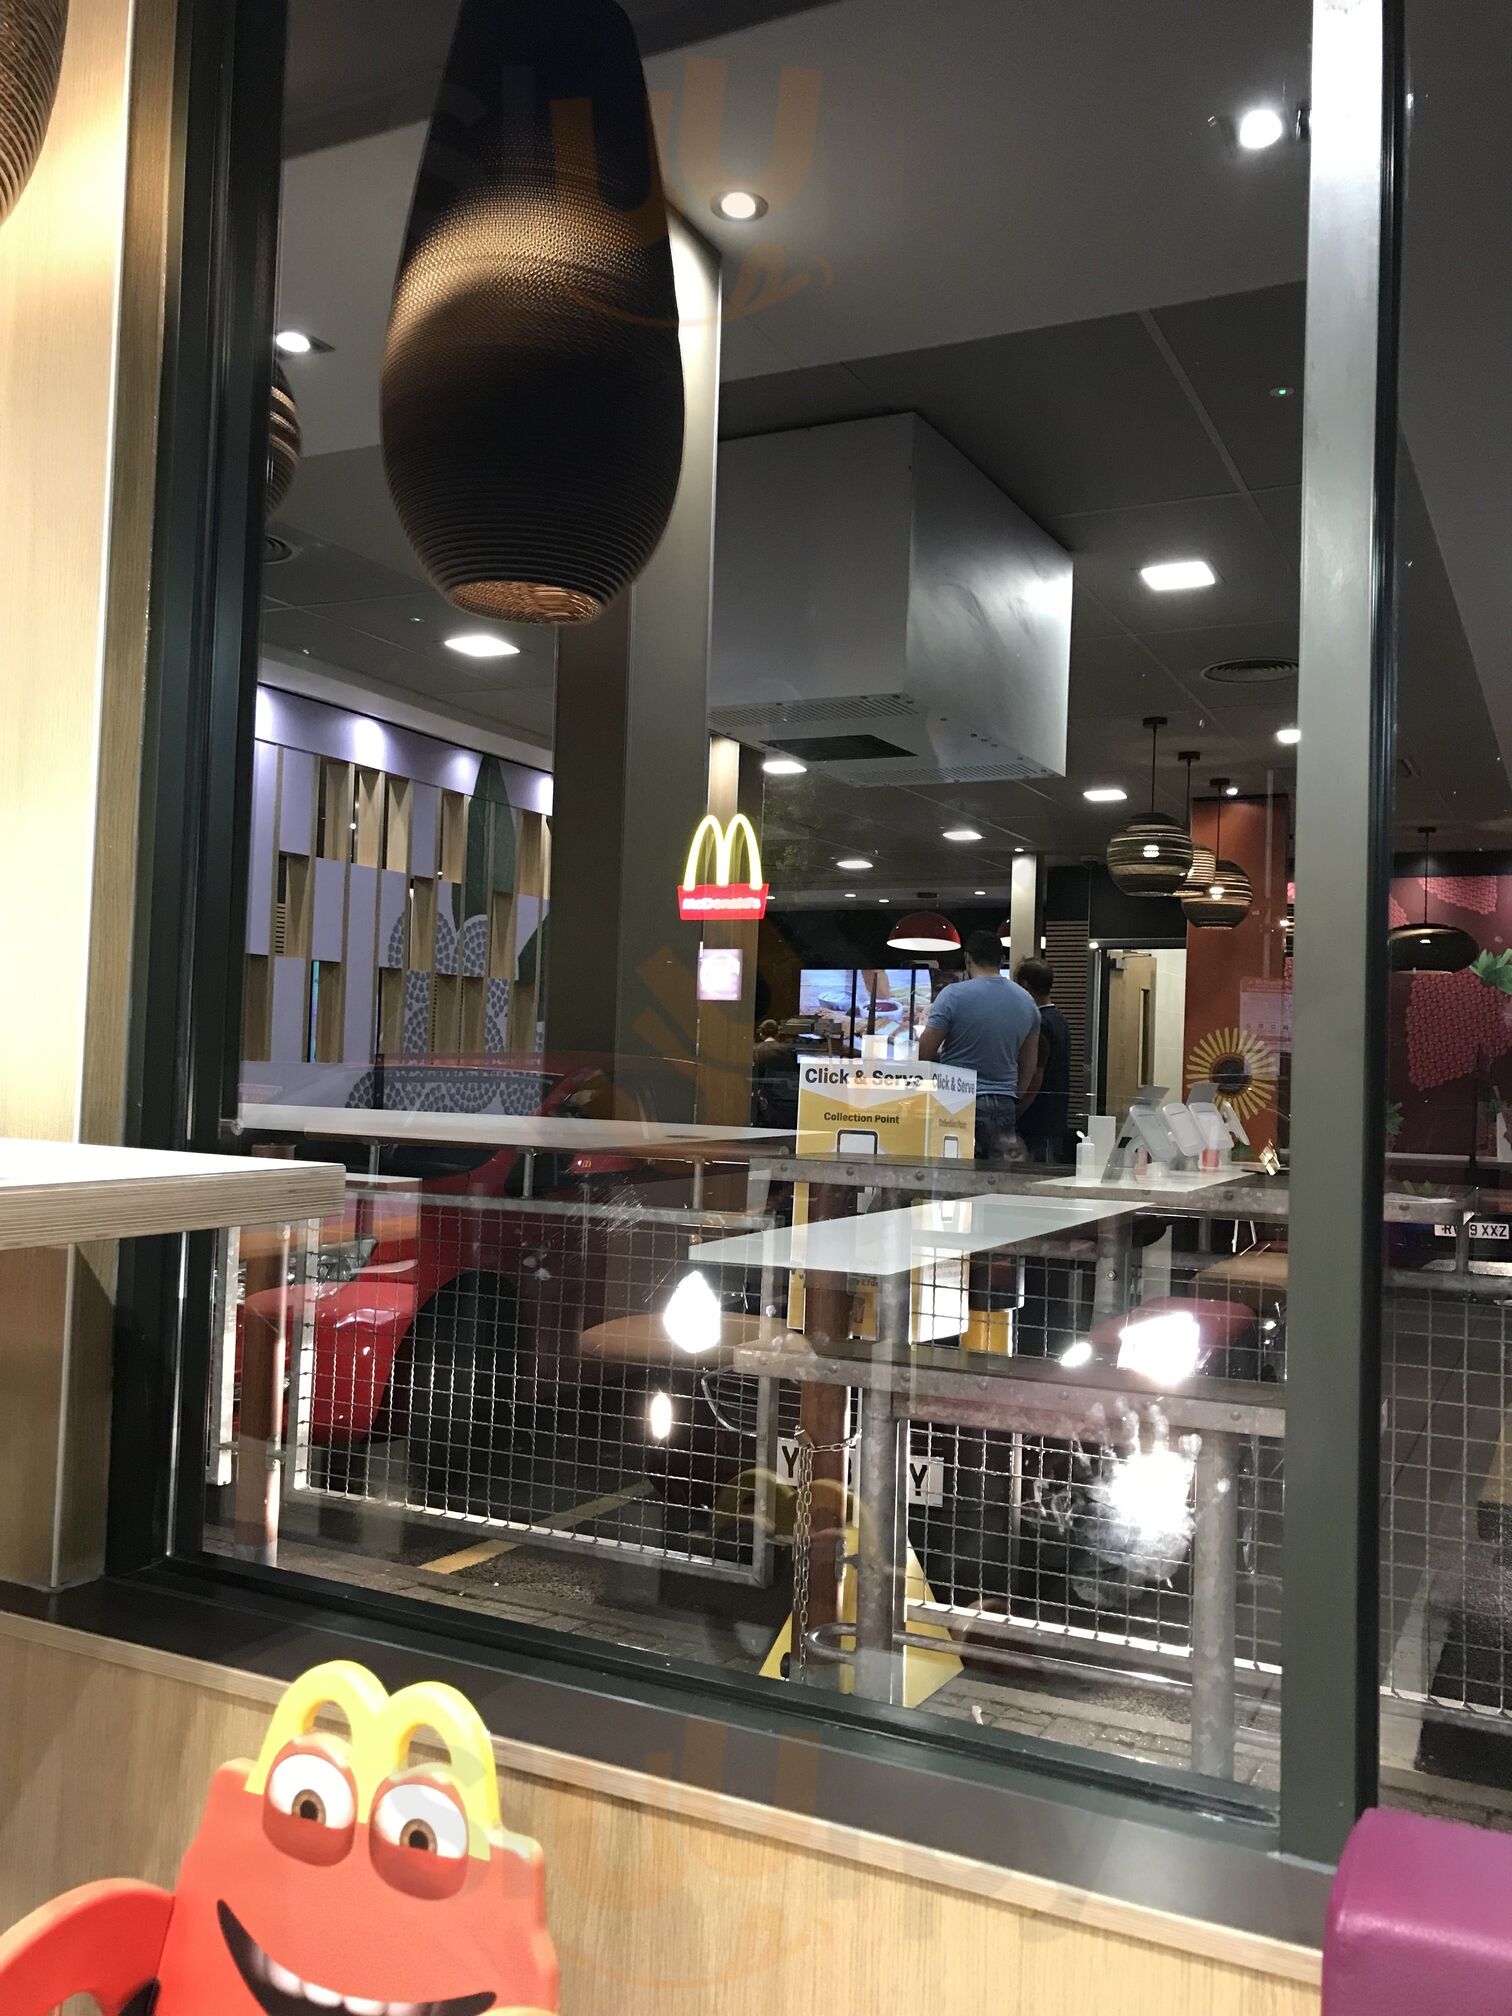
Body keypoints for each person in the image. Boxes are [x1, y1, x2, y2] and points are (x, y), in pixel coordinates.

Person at [919, 929, 1041, 1160]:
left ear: (967, 958)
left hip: (956, 1098)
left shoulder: (952, 995)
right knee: (997, 1175)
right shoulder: (1027, 1001)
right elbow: (1029, 1064)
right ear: (1002, 960)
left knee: (953, 1172)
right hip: (1003, 1100)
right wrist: (1013, 1095)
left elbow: (924, 1052)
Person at [1014, 957, 1073, 1163]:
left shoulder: (1039, 1023)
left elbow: (1034, 1074)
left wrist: (1017, 1110)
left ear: (1025, 985)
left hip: (1035, 1119)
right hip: (1055, 1116)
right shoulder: (1060, 1020)